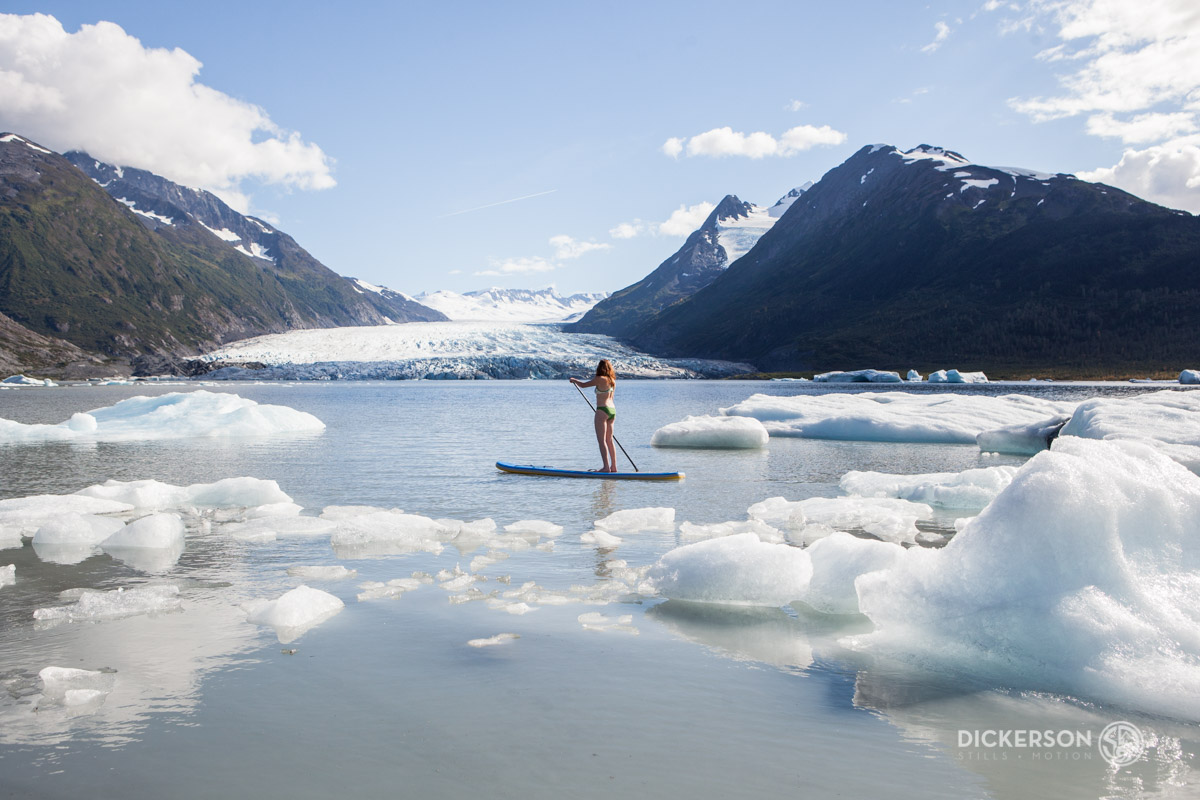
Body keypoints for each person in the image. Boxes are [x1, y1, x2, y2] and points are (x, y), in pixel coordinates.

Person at [570, 359, 617, 472]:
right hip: (612, 411)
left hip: (602, 410)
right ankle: (614, 467)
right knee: (609, 440)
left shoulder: (600, 379)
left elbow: (583, 385)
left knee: (602, 441)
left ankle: (606, 467)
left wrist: (574, 380)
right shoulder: (612, 381)